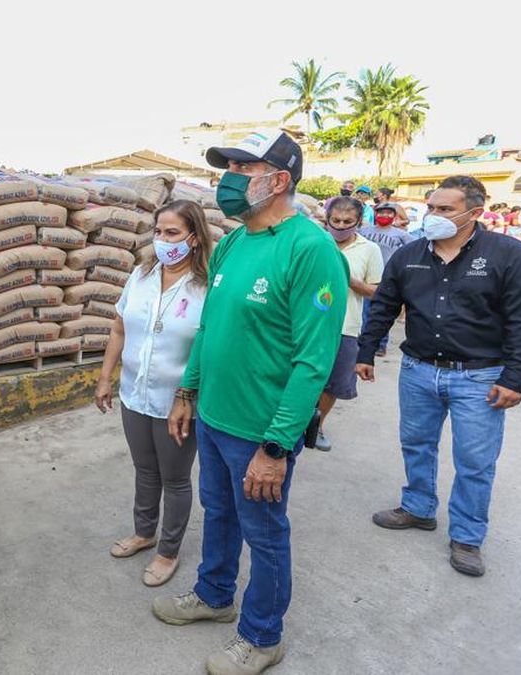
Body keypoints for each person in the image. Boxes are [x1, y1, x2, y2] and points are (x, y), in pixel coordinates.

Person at [155, 130, 347, 675]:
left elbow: (313, 362)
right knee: (219, 513)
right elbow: (210, 327)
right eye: (228, 168)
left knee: (264, 533)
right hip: (214, 417)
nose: (229, 179)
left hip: (260, 430)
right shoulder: (234, 242)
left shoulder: (311, 250)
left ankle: (263, 637)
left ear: (279, 180)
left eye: (243, 168)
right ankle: (214, 595)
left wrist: (276, 446)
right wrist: (187, 392)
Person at [356, 175, 521, 578]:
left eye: (445, 209)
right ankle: (418, 507)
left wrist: (516, 376)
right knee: (416, 443)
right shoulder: (410, 254)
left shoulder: (510, 255)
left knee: (475, 460)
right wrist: (366, 351)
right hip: (418, 370)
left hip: (479, 377)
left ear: (474, 212)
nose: (433, 215)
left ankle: (467, 537)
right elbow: (385, 304)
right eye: (431, 207)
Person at [95, 199, 212, 588]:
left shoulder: (206, 287)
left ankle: (168, 551)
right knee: (144, 469)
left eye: (172, 233)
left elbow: (208, 348)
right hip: (134, 392)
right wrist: (105, 378)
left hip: (178, 402)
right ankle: (144, 532)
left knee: (175, 478)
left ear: (194, 238)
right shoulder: (141, 275)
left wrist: (187, 395)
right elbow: (119, 329)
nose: (162, 240)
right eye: (158, 232)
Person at [314, 197, 383, 451]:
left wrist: (350, 280)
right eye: (336, 221)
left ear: (359, 222)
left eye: (347, 222)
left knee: (333, 382)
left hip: (345, 326)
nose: (341, 226)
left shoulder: (369, 249)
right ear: (327, 220)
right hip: (305, 324)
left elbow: (376, 291)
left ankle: (316, 426)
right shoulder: (314, 243)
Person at [359, 202, 416, 357]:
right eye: (381, 212)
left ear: (394, 216)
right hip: (366, 277)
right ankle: (363, 342)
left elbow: (415, 249)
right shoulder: (364, 231)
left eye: (388, 213)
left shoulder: (401, 234)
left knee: (381, 312)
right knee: (365, 312)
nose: (384, 215)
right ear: (375, 214)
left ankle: (381, 345)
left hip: (387, 278)